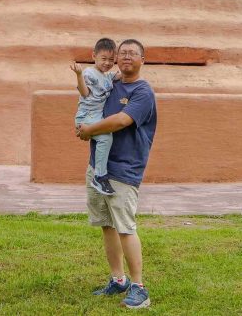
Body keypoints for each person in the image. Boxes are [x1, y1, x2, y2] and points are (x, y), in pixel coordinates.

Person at [76, 38, 157, 310]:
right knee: (106, 225)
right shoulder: (110, 83)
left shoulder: (143, 92)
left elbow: (122, 121)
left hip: (123, 169)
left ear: (143, 60)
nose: (126, 57)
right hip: (98, 167)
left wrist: (90, 130)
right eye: (122, 53)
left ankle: (139, 287)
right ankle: (118, 279)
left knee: (125, 226)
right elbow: (89, 97)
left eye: (133, 54)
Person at [71, 38, 120, 196]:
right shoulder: (89, 73)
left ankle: (99, 175)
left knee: (105, 138)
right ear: (94, 56)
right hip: (87, 117)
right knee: (106, 137)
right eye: (103, 59)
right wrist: (78, 75)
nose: (107, 63)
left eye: (111, 60)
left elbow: (118, 76)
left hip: (96, 116)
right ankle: (100, 176)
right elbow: (85, 93)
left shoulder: (106, 76)